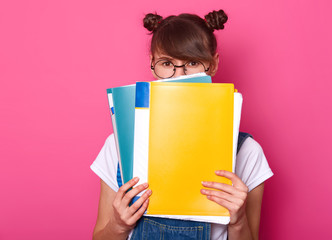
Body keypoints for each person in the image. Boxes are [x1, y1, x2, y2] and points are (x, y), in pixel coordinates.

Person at [91, 10, 273, 240]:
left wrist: (238, 221)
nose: (179, 76)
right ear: (152, 64)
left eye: (193, 63)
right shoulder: (118, 145)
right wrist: (118, 225)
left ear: (213, 64)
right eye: (167, 63)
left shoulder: (247, 152)